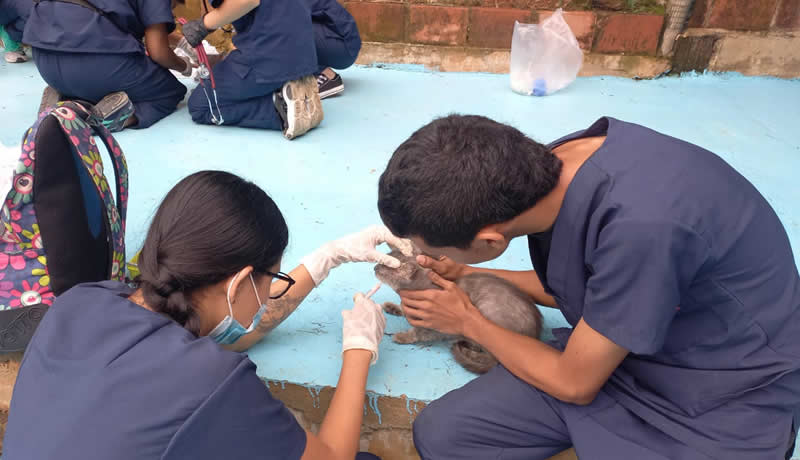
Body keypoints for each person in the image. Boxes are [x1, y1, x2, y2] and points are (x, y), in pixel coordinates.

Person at [377, 115, 800, 459]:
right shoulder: (545, 169)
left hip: (720, 395)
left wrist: (468, 320)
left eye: (425, 247)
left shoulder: (643, 228)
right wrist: (467, 275)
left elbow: (576, 384)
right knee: (444, 434)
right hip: (616, 352)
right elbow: (597, 291)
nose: (419, 255)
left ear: (490, 240)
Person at [4, 170, 413, 459]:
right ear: (237, 284)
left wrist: (329, 257)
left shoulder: (81, 302)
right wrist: (359, 351)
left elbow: (232, 327)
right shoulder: (215, 384)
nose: (271, 291)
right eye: (271, 278)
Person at [180, 0, 361, 139]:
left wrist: (204, 25)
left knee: (203, 105)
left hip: (271, 51)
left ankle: (281, 110)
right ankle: (297, 84)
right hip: (301, 48)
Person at [23, 0, 193, 131]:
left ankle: (66, 96)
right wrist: (183, 66)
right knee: (171, 91)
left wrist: (176, 40)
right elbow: (158, 53)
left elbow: (97, 15)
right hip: (95, 64)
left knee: (92, 80)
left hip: (45, 61)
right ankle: (105, 120)